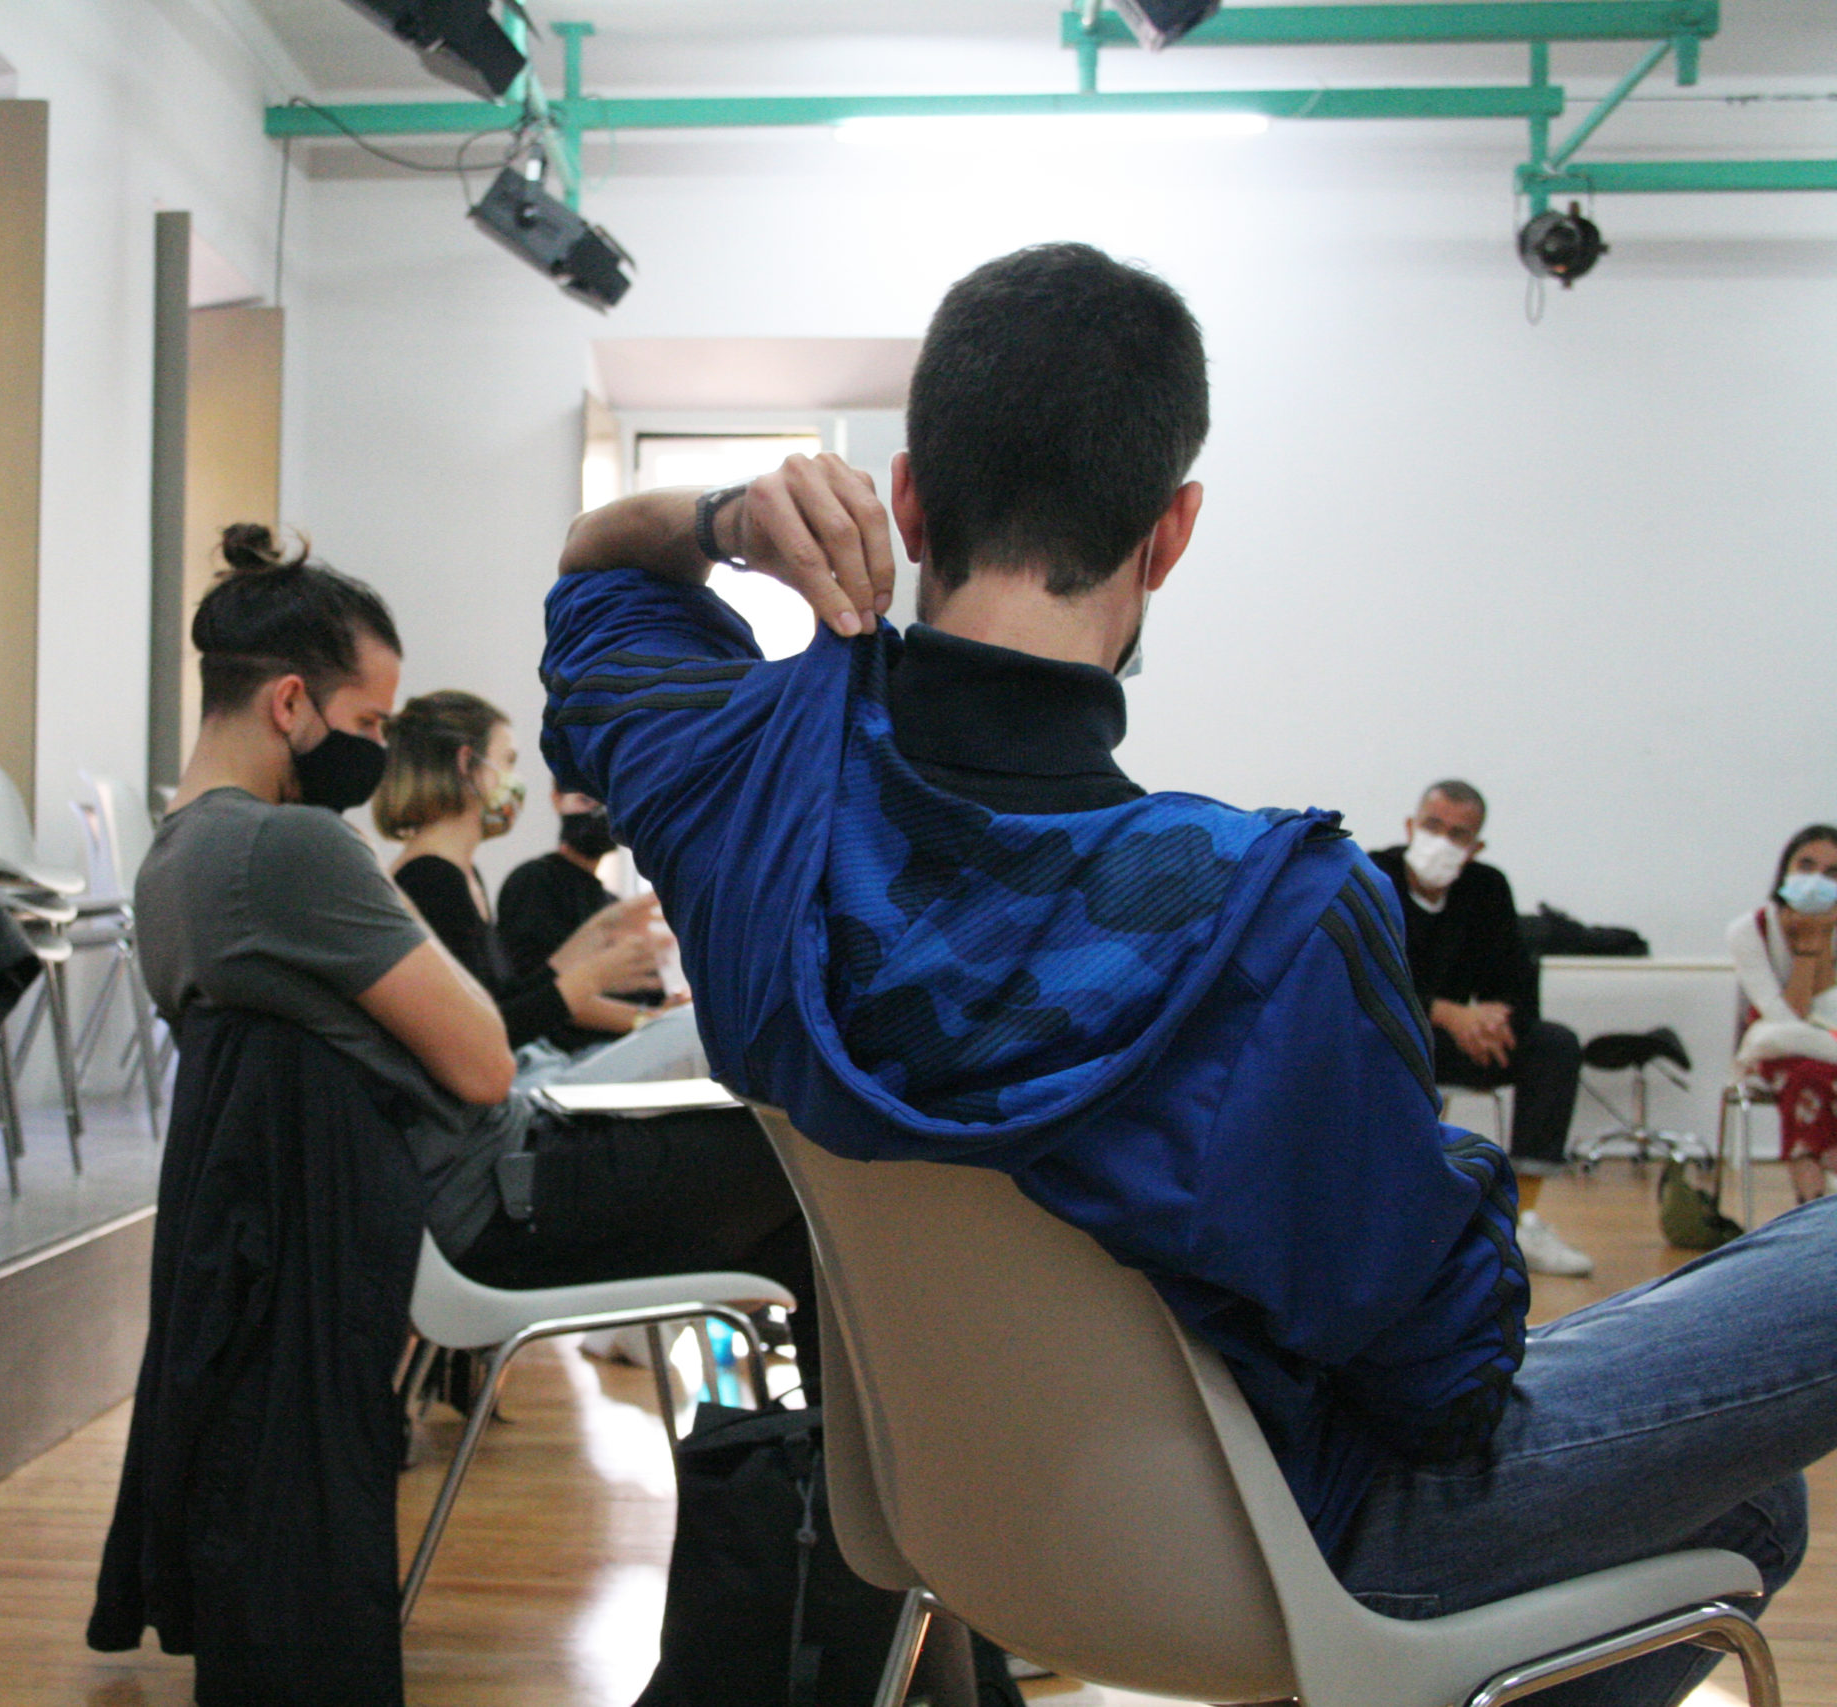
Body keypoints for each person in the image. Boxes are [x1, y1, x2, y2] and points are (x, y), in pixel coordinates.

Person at [537, 242, 1825, 1707]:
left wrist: (719, 520)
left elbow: (592, 575)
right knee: (1753, 1464)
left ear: (907, 498)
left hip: (961, 1526)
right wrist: (1447, 1178)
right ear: (1173, 532)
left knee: (1747, 1502)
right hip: (1280, 1560)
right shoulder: (1272, 917)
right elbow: (1446, 1381)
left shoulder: (736, 795)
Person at [136, 523, 813, 1372]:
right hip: (496, 1195)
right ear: (289, 703)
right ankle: (837, 1455)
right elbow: (489, 1066)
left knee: (792, 1179)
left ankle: (793, 1452)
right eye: (369, 721)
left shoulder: (170, 866)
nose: (377, 751)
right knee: (814, 1151)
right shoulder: (291, 847)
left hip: (466, 1187)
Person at [1369, 783, 1592, 1277]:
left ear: (1476, 847)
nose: (1442, 841)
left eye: (1458, 834)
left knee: (1553, 1046)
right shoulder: (1374, 877)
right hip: (1388, 1036)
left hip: (1459, 1041)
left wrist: (1491, 1021)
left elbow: (1516, 987)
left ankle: (1523, 1218)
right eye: (1432, 826)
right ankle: (1393, 1216)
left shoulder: (1487, 888)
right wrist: (1446, 1012)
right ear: (1410, 827)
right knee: (1383, 1046)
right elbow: (1365, 979)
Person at [372, 688, 669, 1053]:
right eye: (508, 761)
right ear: (467, 765)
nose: (515, 778)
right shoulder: (431, 880)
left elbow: (501, 999)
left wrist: (594, 937)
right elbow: (485, 1033)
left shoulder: (459, 874)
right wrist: (593, 976)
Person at [1729, 824, 1837, 1202]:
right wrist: (1807, 950)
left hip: (1818, 1046)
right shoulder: (1749, 930)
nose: (1816, 880)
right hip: (1777, 1051)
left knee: (1813, 1073)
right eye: (1806, 866)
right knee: (1805, 1073)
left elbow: (1831, 1012)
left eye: (1831, 872)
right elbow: (1784, 1018)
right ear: (1785, 870)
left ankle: (1819, 1197)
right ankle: (1814, 1199)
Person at [498, 784, 646, 1052]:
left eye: (609, 805)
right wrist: (644, 1019)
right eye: (586, 800)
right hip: (556, 1056)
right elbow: (536, 996)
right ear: (557, 798)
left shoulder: (612, 903)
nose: (599, 814)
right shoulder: (534, 882)